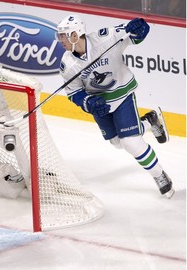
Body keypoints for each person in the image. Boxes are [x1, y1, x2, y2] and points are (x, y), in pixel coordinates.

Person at [55, 15, 174, 198]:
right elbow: (74, 93)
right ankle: (150, 121)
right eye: (60, 36)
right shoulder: (67, 64)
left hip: (122, 95)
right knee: (118, 143)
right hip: (99, 105)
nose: (60, 40)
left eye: (63, 35)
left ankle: (160, 175)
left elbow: (132, 34)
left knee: (131, 142)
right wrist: (89, 103)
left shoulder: (104, 38)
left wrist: (140, 29)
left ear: (75, 34)